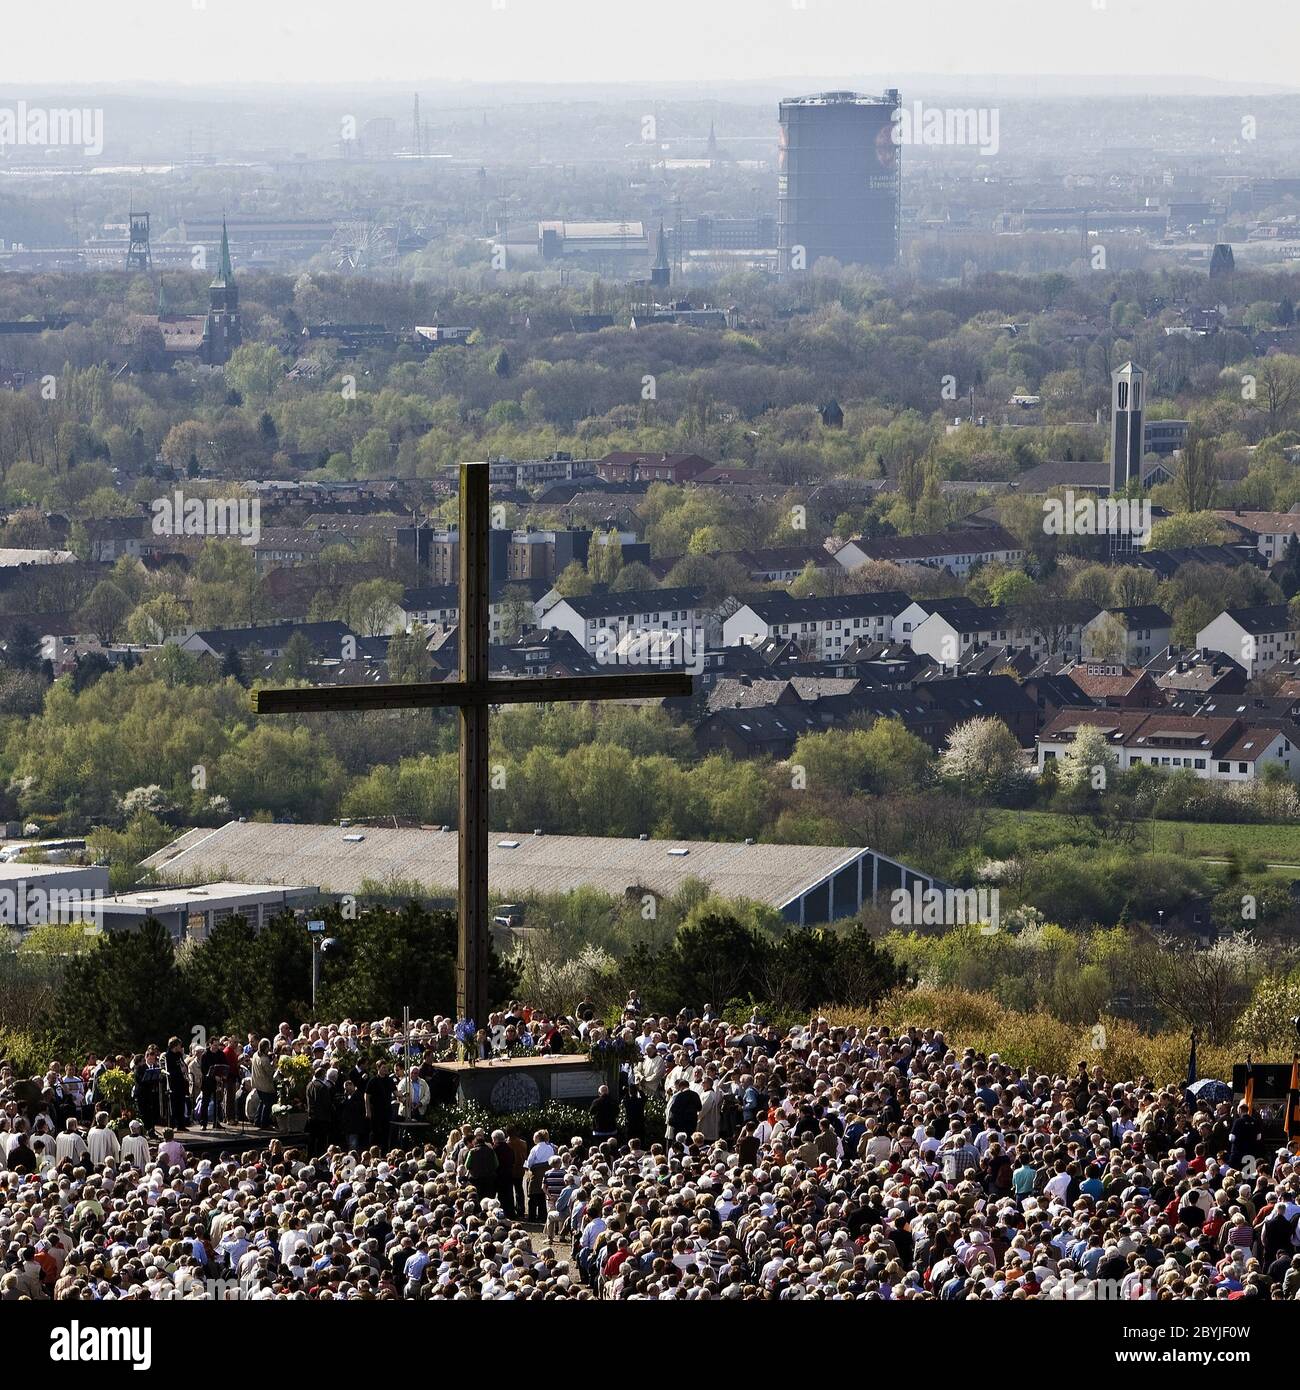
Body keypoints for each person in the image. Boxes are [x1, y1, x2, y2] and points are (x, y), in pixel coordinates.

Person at [365, 1060, 396, 1151]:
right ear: (378, 1068)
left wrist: (403, 1096)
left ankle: (385, 1152)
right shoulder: (373, 1080)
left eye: (386, 1067)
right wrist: (368, 1110)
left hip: (387, 1111)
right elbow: (367, 1095)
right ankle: (373, 1151)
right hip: (376, 1111)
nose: (385, 1069)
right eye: (383, 1067)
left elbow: (395, 1091)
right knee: (375, 1132)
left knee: (386, 1132)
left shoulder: (389, 1080)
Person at [251, 1039, 277, 1130]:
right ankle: (264, 1123)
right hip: (265, 1085)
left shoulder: (255, 1055)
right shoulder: (265, 1059)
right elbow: (270, 1072)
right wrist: (274, 1062)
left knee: (262, 1102)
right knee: (267, 1104)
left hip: (257, 1083)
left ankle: (257, 1121)